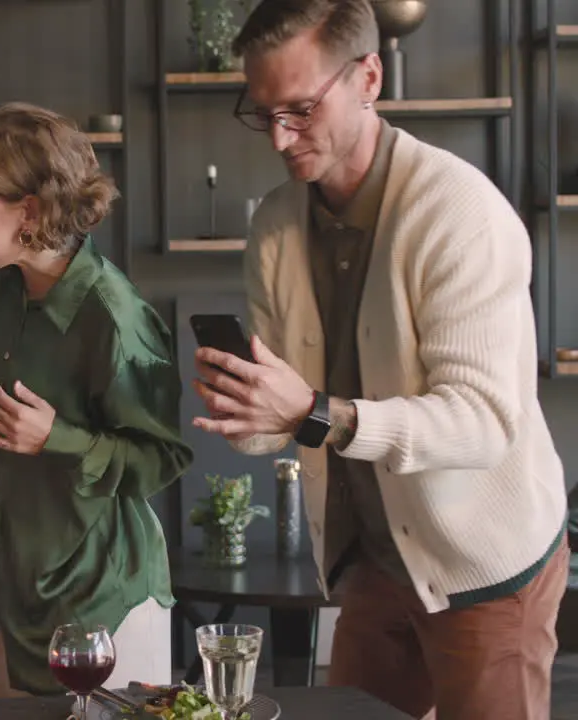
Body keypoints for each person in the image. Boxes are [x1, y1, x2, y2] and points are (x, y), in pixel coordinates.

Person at [190, 2, 569, 718]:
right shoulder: (275, 224)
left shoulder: (459, 212)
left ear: (369, 76)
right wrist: (251, 414)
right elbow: (290, 421)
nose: (279, 137)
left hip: (484, 568)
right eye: (262, 111)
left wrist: (307, 410)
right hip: (370, 565)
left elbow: (483, 421)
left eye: (300, 109)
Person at [0, 102, 194, 696]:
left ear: (28, 211)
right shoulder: (2, 288)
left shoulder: (115, 318)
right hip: (4, 604)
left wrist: (58, 438)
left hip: (100, 612)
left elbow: (164, 459)